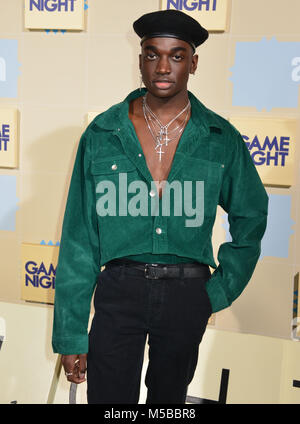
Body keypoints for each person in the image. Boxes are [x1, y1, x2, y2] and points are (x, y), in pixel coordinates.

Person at [52, 9, 268, 404]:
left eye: (177, 55)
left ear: (194, 63)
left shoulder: (220, 137)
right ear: (140, 60)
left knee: (168, 406)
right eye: (152, 54)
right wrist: (71, 334)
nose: (163, 67)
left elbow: (251, 216)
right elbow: (79, 237)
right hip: (119, 290)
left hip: (188, 293)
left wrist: (216, 291)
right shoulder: (102, 133)